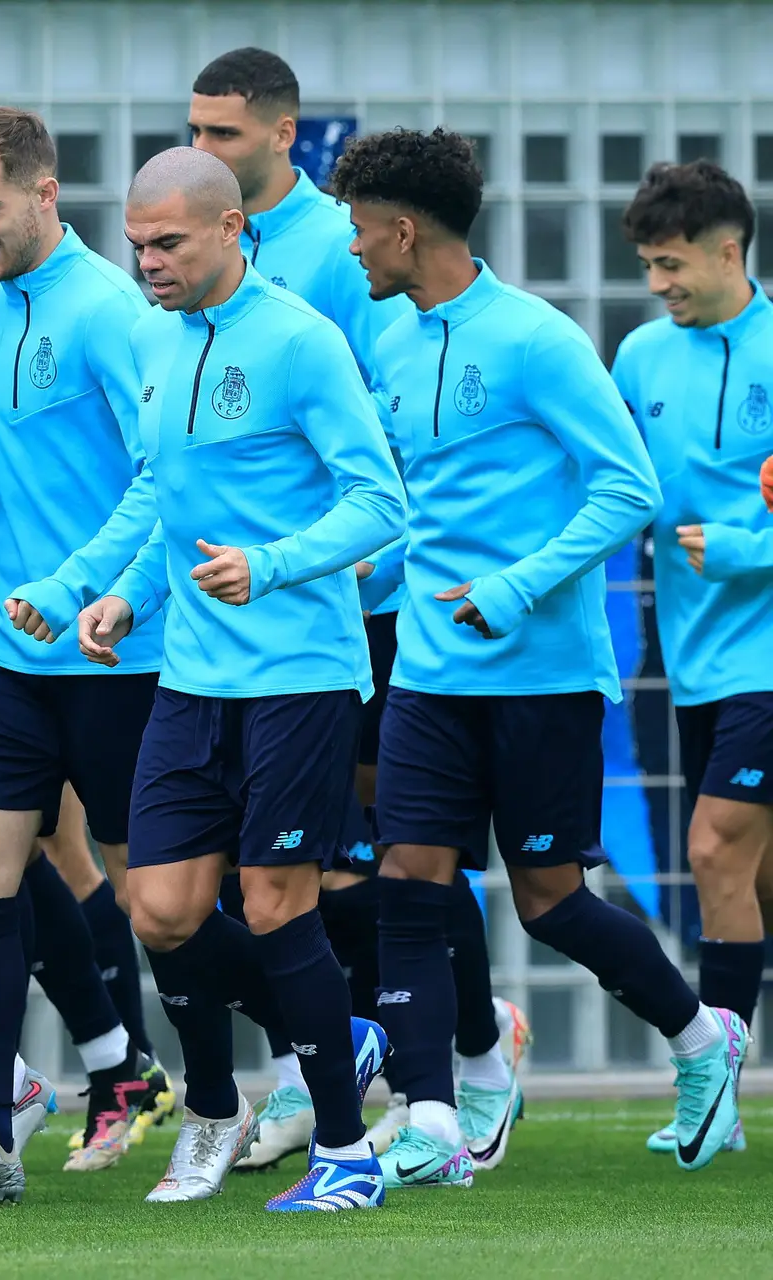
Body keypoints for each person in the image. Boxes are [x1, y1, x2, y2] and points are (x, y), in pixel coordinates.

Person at [330, 126, 749, 1187]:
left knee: (552, 900)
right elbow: (416, 511)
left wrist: (516, 585)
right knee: (412, 880)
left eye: (360, 231)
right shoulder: (389, 344)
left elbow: (628, 489)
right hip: (426, 671)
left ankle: (702, 1037)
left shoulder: (537, 339)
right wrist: (353, 580)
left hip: (544, 675)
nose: (352, 251)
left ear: (405, 228)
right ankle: (434, 1114)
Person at [188, 46, 520, 1164]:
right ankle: (338, 1056)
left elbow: (388, 417)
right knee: (283, 865)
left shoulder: (347, 246)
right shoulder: (188, 245)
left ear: (286, 136)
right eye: (196, 132)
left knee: (388, 848)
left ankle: (470, 1053)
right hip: (236, 608)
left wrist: (380, 556)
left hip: (356, 597)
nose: (206, 154)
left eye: (225, 134)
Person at [69, 147, 403, 1211]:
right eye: (136, 241)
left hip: (300, 673)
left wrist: (273, 563)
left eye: (167, 241)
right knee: (160, 907)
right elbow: (162, 500)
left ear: (231, 229)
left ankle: (344, 1155)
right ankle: (296, 1060)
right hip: (189, 677)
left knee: (274, 905)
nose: (147, 259)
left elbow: (380, 504)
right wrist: (127, 594)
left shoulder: (304, 342)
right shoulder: (148, 338)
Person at [0, 107, 170, 1206]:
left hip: (121, 653)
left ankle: (294, 1063)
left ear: (47, 194)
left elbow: (159, 478)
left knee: (165, 909)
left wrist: (80, 589)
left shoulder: (111, 312)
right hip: (2, 652)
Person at [613, 159, 771, 1155]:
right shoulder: (636, 355)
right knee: (752, 876)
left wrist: (752, 545)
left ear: (729, 250)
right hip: (694, 657)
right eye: (647, 267)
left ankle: (714, 1089)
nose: (659, 284)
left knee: (712, 851)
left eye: (672, 264)